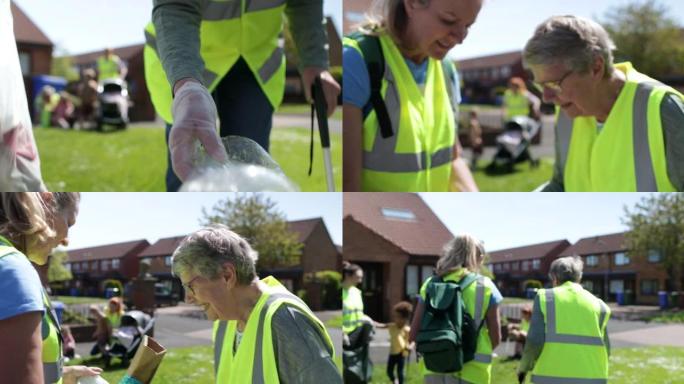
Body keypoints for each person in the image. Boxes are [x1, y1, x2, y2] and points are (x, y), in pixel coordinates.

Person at [144, 0, 341, 191]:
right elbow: (177, 5)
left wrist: (315, 62)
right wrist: (187, 84)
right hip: (185, 64)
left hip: (255, 66)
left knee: (250, 177)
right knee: (189, 171)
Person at [523, 15, 684, 192]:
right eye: (540, 85)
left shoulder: (663, 109)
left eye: (554, 84)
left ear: (596, 67)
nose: (546, 97)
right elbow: (561, 184)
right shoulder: (566, 112)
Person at [171, 224, 341, 383]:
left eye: (190, 286)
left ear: (227, 276)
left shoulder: (286, 320)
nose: (187, 299)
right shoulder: (223, 323)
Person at [343, 0, 482, 192]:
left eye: (468, 26)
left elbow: (453, 158)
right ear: (412, 4)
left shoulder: (448, 70)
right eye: (448, 20)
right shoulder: (356, 60)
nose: (460, 38)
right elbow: (348, 187)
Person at [0, 192, 102, 384]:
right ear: (45, 202)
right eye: (69, 223)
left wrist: (62, 374)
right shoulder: (12, 268)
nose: (66, 240)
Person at [409, 234, 502, 383]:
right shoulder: (486, 286)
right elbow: (496, 338)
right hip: (473, 371)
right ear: (478, 257)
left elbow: (413, 334)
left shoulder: (430, 284)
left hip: (434, 367)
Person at [517, 256, 611, 384]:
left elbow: (534, 341)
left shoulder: (546, 297)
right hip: (593, 379)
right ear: (579, 278)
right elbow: (606, 349)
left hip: (551, 378)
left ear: (554, 278)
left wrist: (523, 368)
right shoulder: (600, 305)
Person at [376, 301, 414, 384]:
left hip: (402, 353)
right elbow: (380, 325)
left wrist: (410, 347)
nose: (395, 318)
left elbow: (412, 341)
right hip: (392, 353)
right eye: (395, 316)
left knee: (400, 372)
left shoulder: (407, 329)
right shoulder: (392, 326)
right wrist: (371, 322)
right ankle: (394, 381)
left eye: (397, 317)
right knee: (389, 371)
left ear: (404, 319)